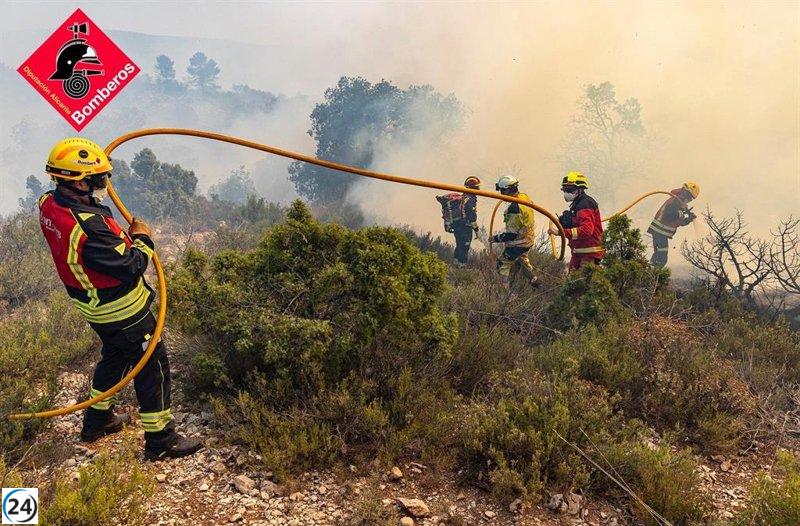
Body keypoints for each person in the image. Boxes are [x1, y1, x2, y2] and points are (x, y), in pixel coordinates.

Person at [38, 137, 202, 461]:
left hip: (93, 306)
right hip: (122, 311)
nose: (103, 183)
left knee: (114, 356)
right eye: (98, 178)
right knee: (151, 364)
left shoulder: (49, 203)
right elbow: (130, 266)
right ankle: (160, 440)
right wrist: (143, 239)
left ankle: (97, 422)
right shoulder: (89, 229)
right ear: (78, 182)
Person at [490, 174, 538, 286]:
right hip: (528, 239)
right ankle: (537, 283)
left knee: (502, 264)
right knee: (522, 262)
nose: (501, 193)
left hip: (518, 243)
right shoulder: (524, 197)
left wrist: (495, 238)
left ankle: (504, 290)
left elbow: (511, 235)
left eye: (502, 191)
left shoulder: (514, 208)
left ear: (507, 190)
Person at [550, 171, 604, 271]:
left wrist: (561, 232)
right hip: (579, 252)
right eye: (565, 189)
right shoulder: (577, 204)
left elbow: (586, 230)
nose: (567, 193)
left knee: (583, 279)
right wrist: (562, 221)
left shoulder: (585, 204)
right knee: (572, 279)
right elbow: (577, 223)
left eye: (570, 190)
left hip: (589, 253)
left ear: (580, 190)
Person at [647, 182, 699, 267]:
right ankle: (652, 272)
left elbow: (676, 222)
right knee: (661, 259)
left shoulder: (678, 203)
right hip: (660, 231)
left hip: (660, 232)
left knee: (658, 256)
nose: (689, 200)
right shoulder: (675, 201)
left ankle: (649, 270)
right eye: (690, 198)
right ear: (685, 193)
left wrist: (688, 219)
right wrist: (682, 212)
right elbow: (669, 215)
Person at [436, 176, 480, 267]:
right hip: (465, 226)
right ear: (475, 188)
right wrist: (476, 228)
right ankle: (462, 266)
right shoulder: (470, 199)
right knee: (465, 246)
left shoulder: (463, 197)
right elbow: (471, 215)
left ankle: (456, 264)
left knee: (459, 245)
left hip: (457, 225)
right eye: (477, 187)